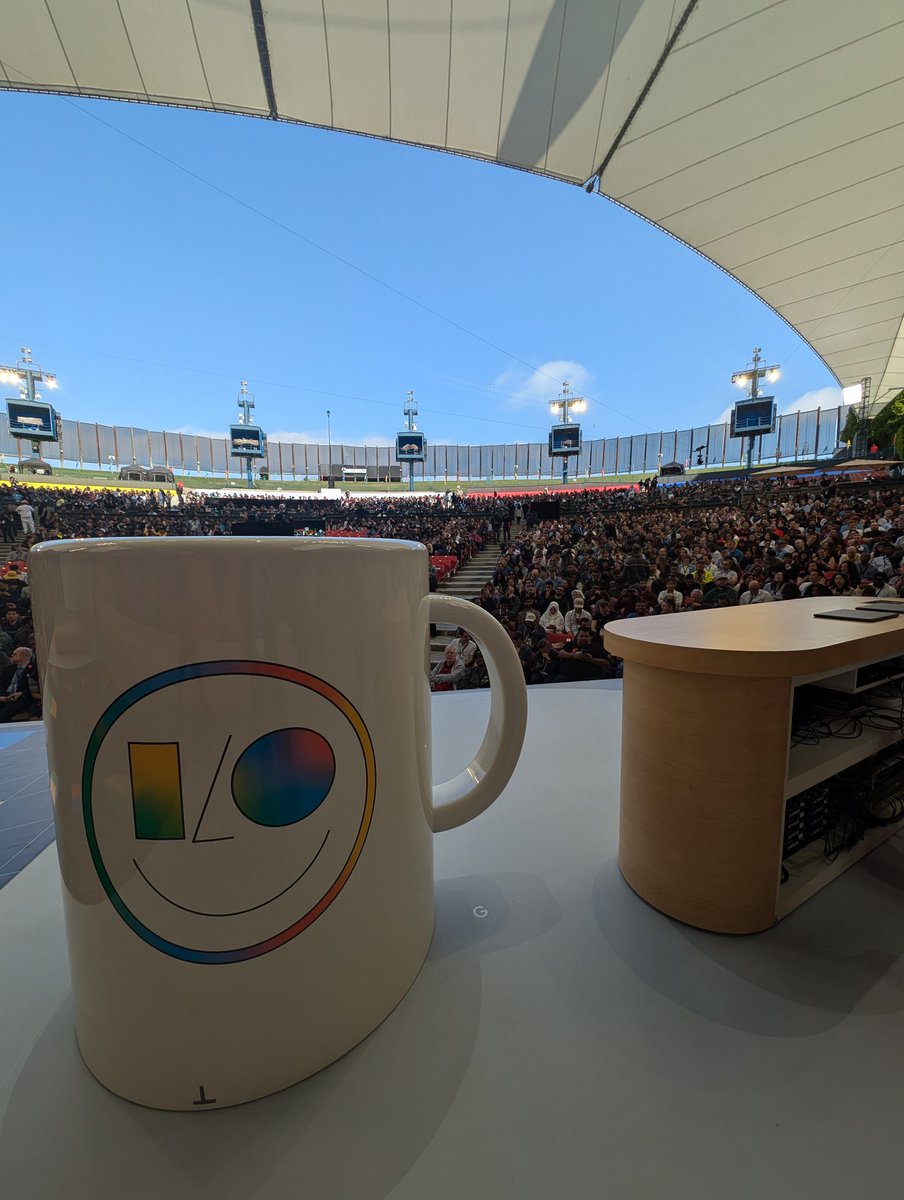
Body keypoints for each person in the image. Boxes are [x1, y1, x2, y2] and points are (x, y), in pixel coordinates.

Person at [0, 646, 37, 722]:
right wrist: (1, 696)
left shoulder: (34, 668)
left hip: (22, 697)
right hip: (5, 696)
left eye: (15, 654)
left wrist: (21, 693)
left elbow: (34, 688)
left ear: (24, 656)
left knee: (4, 713)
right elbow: (2, 684)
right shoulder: (9, 668)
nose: (11, 656)